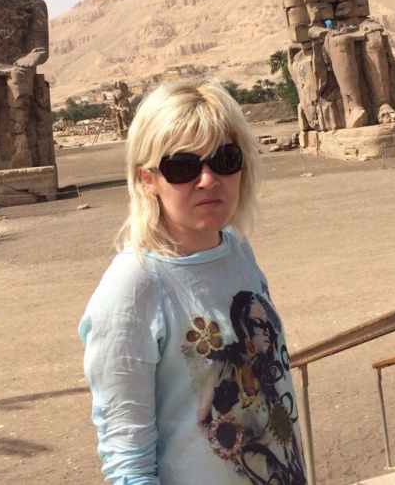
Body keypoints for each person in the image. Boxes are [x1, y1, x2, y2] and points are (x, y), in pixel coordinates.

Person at [79, 79, 307, 485]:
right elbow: (127, 461)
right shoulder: (134, 286)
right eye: (182, 167)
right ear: (147, 178)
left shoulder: (237, 250)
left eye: (225, 159)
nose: (207, 179)